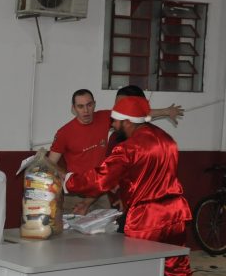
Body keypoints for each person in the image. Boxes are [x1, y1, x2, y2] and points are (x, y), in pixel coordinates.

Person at [64, 96, 207, 276]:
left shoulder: (129, 148)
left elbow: (100, 180)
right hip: (175, 213)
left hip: (147, 219)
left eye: (116, 120)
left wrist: (68, 181)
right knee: (178, 273)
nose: (112, 124)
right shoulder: (167, 140)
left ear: (128, 122)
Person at [49, 89, 184, 215]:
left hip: (100, 192)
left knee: (106, 231)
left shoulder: (104, 117)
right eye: (80, 106)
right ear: (73, 108)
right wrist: (64, 177)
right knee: (72, 232)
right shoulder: (64, 133)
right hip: (75, 194)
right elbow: (50, 162)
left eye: (89, 105)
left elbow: (135, 113)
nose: (86, 110)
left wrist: (166, 111)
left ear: (94, 104)